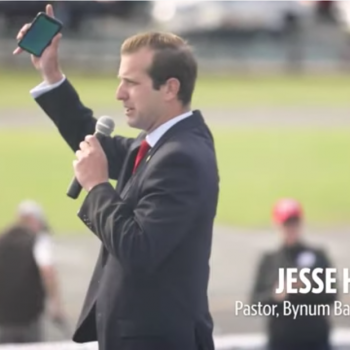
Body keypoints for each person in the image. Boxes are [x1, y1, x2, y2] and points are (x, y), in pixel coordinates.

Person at [14, 5, 219, 350]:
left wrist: (96, 187)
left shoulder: (182, 156)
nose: (119, 93)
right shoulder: (159, 142)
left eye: (131, 83)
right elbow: (92, 141)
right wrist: (51, 75)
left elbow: (139, 249)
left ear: (169, 88)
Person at [250, 198, 336, 350]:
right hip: (281, 341)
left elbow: (331, 296)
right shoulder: (270, 261)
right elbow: (255, 302)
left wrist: (306, 287)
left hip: (316, 341)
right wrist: (276, 295)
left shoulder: (317, 256)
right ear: (277, 225)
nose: (291, 228)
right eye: (286, 224)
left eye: (294, 223)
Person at [0, 200, 65, 344]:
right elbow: (48, 271)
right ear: (33, 219)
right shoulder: (39, 241)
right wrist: (56, 305)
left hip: (3, 316)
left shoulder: (2, 239)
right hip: (29, 315)